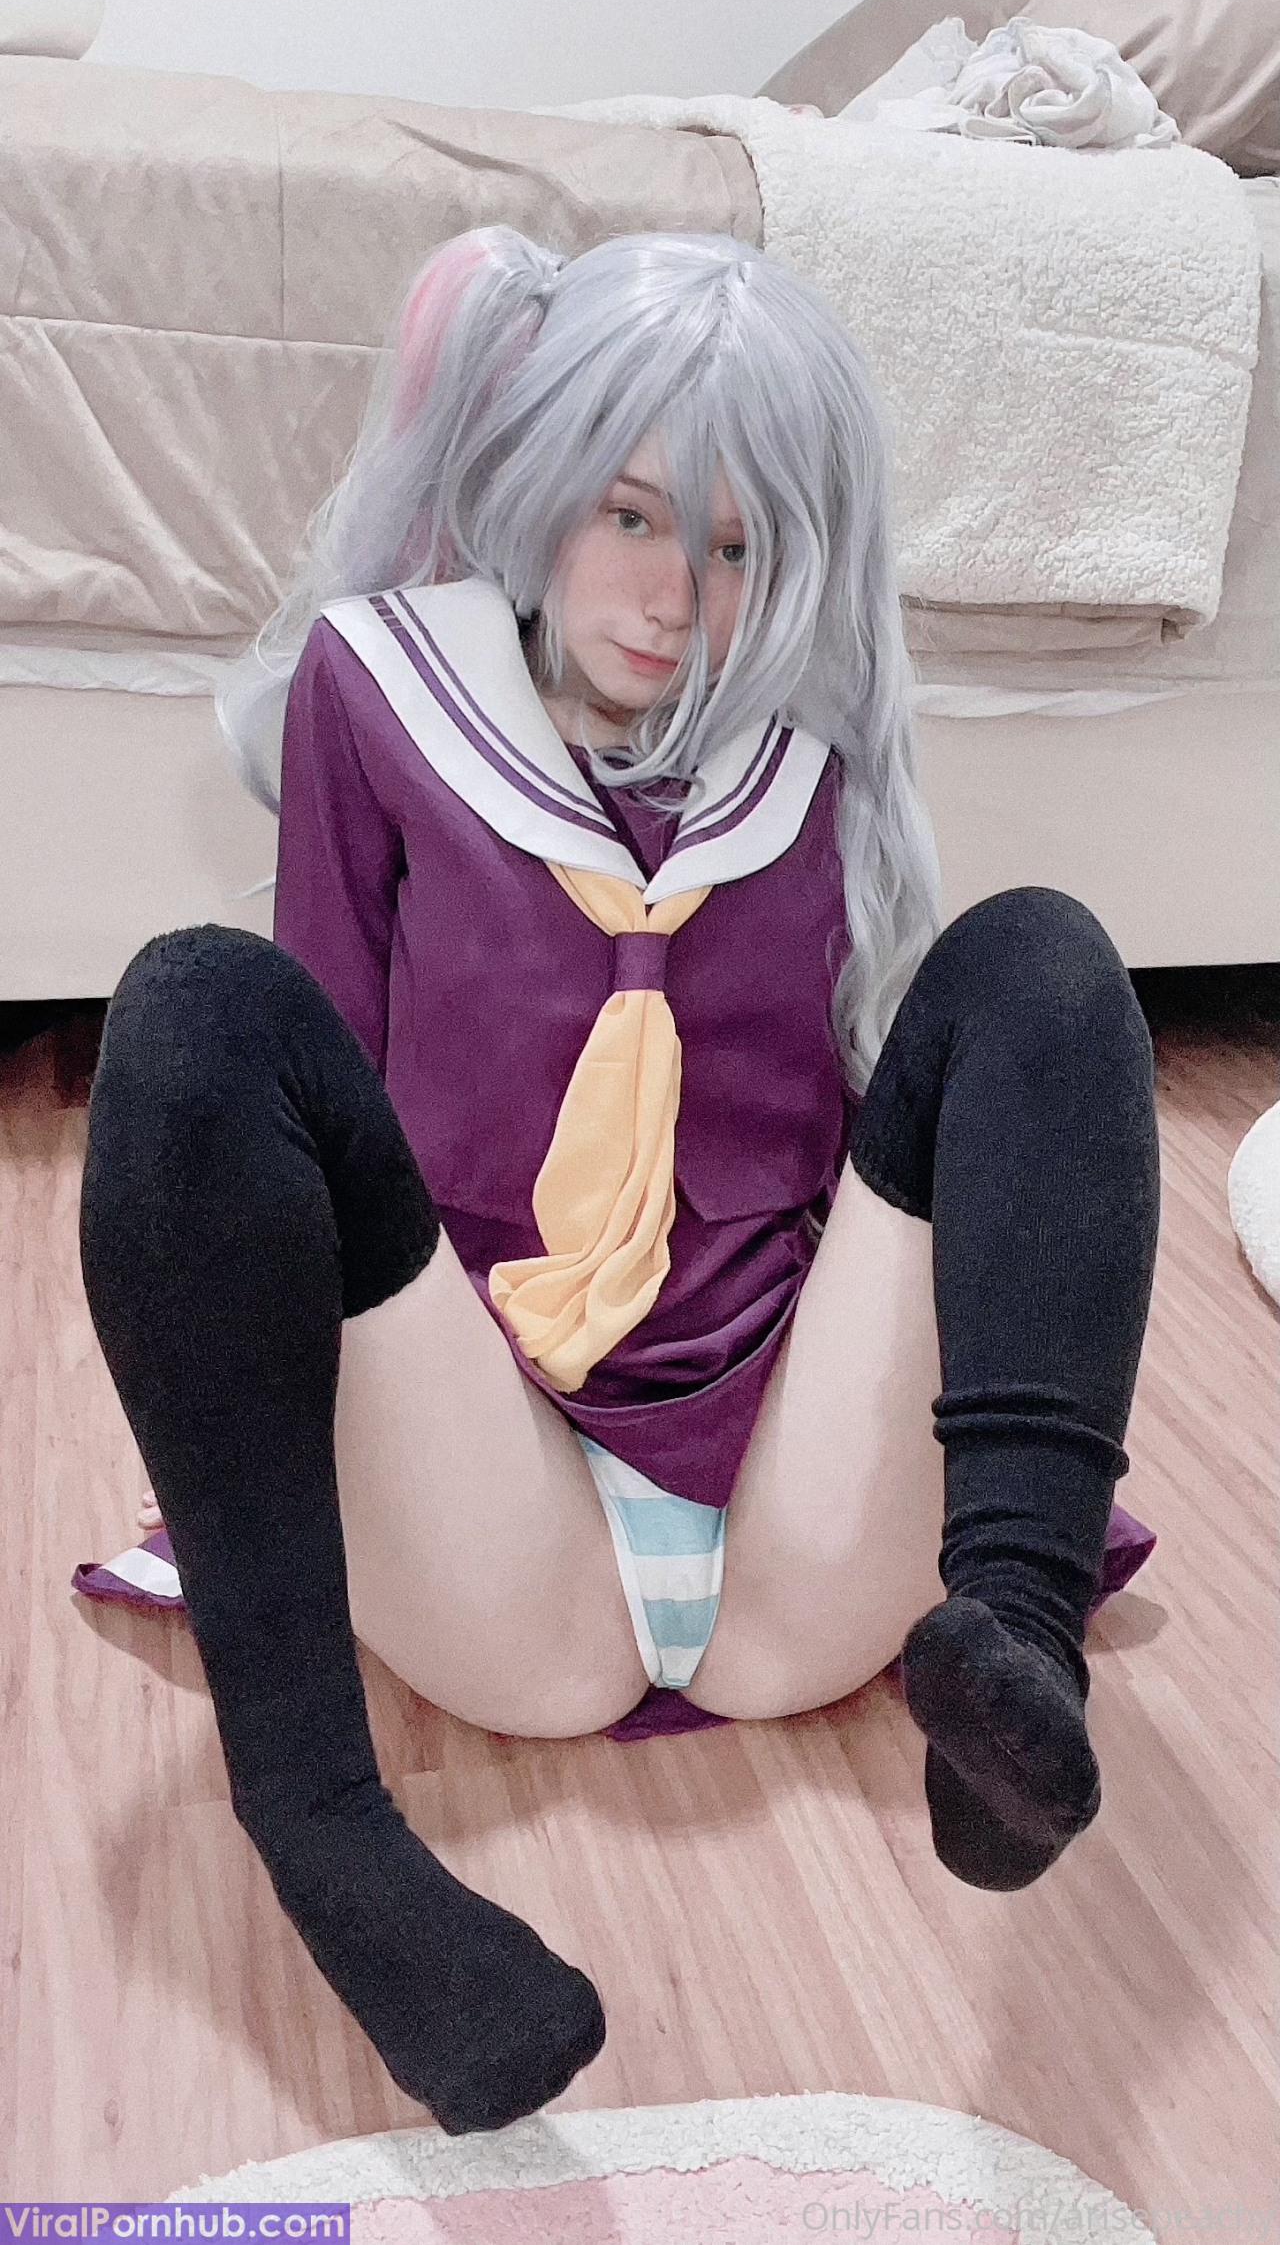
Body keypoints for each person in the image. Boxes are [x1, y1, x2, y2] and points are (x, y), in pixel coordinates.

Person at [76, 226, 1161, 2139]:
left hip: (802, 1543)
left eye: (736, 548)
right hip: (497, 1529)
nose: (673, 599)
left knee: (1047, 962)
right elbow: (300, 1118)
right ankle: (322, 1824)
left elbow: (874, 1115)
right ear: (543, 473)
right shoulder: (377, 693)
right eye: (632, 515)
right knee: (194, 1012)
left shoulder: (806, 751)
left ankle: (1013, 1628)